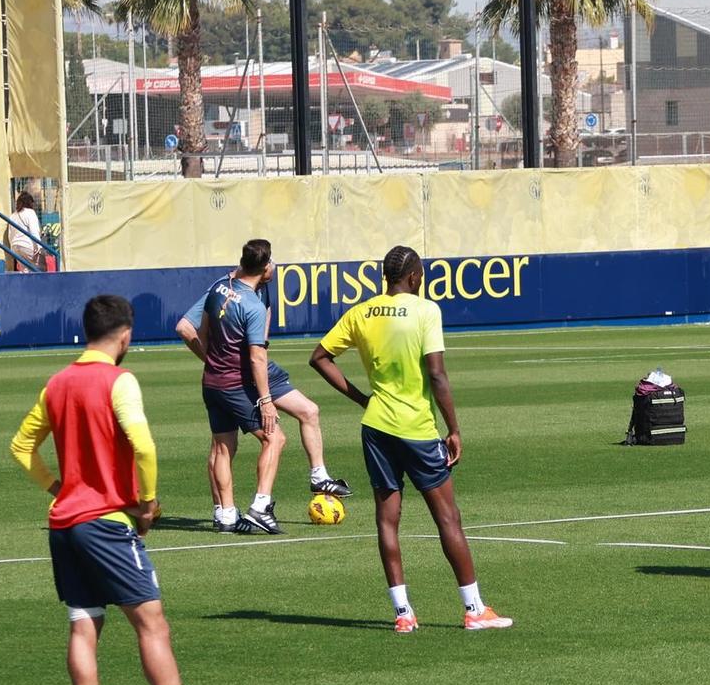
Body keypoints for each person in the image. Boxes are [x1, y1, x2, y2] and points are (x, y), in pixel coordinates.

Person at [10, 294, 241, 685]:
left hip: (65, 525)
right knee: (152, 625)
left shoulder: (55, 384)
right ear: (125, 334)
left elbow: (20, 447)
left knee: (83, 624)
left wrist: (59, 487)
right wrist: (148, 503)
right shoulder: (119, 380)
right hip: (107, 523)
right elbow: (143, 444)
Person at [310, 246, 511, 632]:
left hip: (376, 427)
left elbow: (319, 357)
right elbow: (436, 375)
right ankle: (474, 609)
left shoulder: (362, 312)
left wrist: (362, 399)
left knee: (388, 521)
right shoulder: (425, 310)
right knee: (448, 517)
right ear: (415, 277)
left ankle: (403, 614)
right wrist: (453, 428)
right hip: (417, 429)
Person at [175, 252, 348, 526]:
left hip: (260, 372)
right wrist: (215, 361)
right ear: (262, 266)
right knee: (235, 444)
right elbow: (185, 327)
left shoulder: (263, 289)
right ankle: (234, 510)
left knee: (308, 411)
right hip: (239, 377)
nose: (276, 266)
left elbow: (261, 342)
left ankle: (319, 476)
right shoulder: (225, 287)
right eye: (272, 261)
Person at [184, 240, 292, 534]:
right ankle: (260, 506)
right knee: (275, 438)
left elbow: (199, 330)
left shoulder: (219, 289)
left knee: (222, 447)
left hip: (212, 383)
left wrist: (214, 362)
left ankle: (227, 515)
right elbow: (258, 357)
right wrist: (267, 400)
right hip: (235, 386)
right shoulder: (255, 306)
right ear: (265, 267)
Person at [7, 191, 45, 271]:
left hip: (15, 247)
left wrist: (12, 248)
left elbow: (10, 234)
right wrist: (39, 247)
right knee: (41, 267)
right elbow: (34, 230)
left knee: (25, 270)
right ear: (29, 203)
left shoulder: (13, 215)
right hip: (27, 245)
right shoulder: (30, 212)